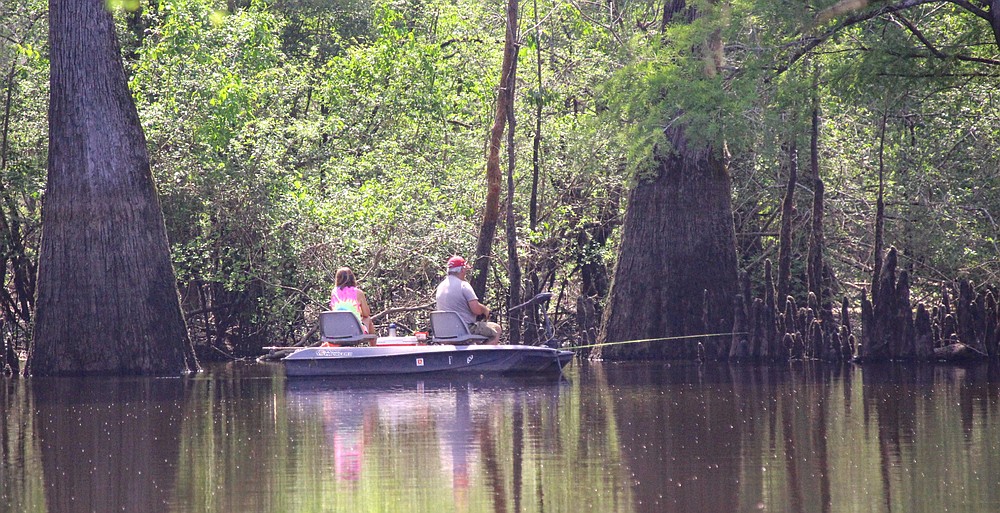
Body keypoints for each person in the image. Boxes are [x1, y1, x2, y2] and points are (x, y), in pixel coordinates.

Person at [435, 256, 502, 344]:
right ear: (462, 270)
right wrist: (485, 310)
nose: (466, 272)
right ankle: (480, 356)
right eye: (465, 269)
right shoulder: (464, 285)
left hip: (445, 331)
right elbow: (476, 310)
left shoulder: (440, 286)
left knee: (478, 330)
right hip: (463, 329)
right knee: (496, 329)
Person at [330, 267, 375, 334]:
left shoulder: (334, 292)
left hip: (338, 331)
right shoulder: (358, 293)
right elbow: (366, 314)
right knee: (368, 319)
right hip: (355, 331)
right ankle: (373, 344)